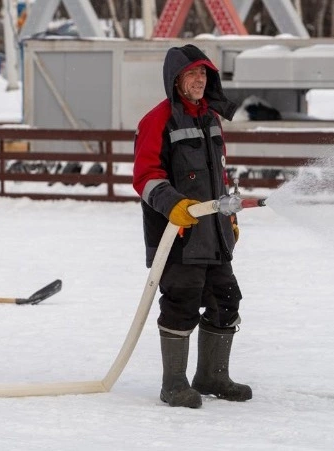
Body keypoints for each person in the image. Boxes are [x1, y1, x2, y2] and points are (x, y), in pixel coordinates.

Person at [132, 44, 252, 408]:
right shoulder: (158, 120)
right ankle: (174, 384)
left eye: (204, 74)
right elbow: (146, 176)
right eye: (192, 74)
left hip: (213, 234)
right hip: (178, 235)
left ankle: (212, 376)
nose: (200, 80)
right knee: (181, 302)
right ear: (176, 80)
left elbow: (218, 176)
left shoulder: (211, 119)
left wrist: (227, 217)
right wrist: (175, 205)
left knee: (226, 299)